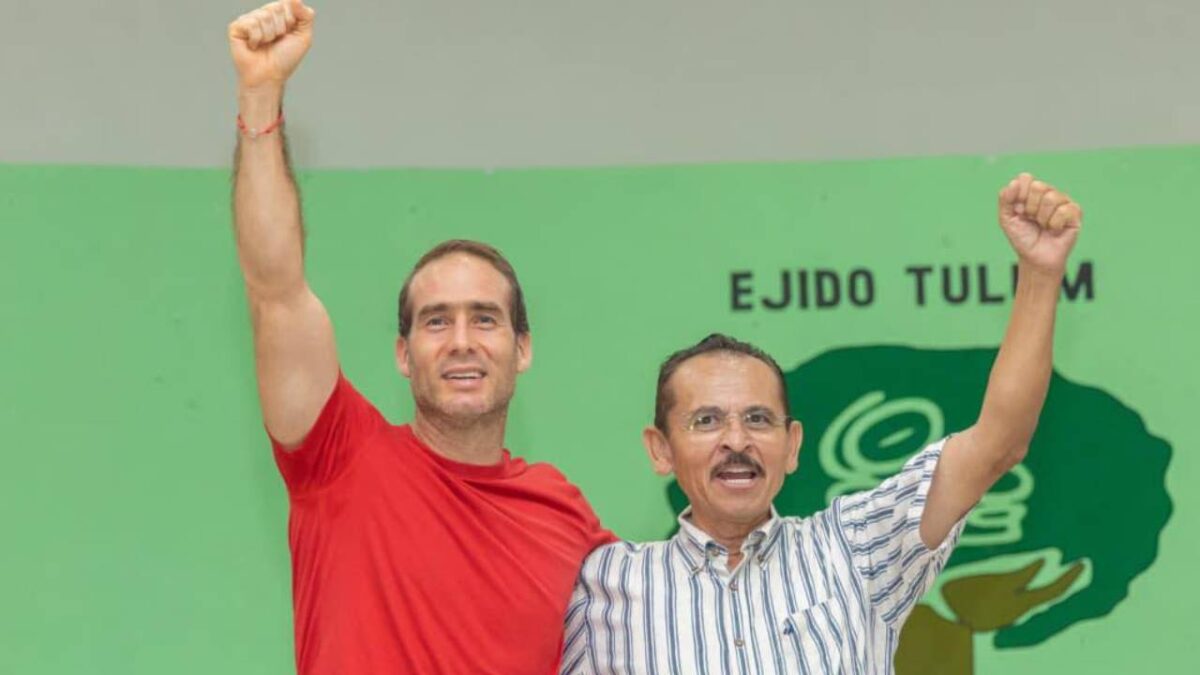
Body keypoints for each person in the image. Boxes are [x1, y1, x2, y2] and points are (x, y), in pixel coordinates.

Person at [562, 174, 1082, 674]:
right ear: (660, 450)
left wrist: (1039, 274)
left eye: (759, 419)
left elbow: (998, 444)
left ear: (792, 446)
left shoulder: (854, 549)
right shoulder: (604, 585)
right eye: (707, 421)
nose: (737, 441)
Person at [227, 2, 613, 673]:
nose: (462, 340)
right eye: (437, 320)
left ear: (522, 347)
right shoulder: (338, 456)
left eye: (484, 318)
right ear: (404, 354)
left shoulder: (564, 511)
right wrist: (261, 95)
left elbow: (676, 609)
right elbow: (275, 288)